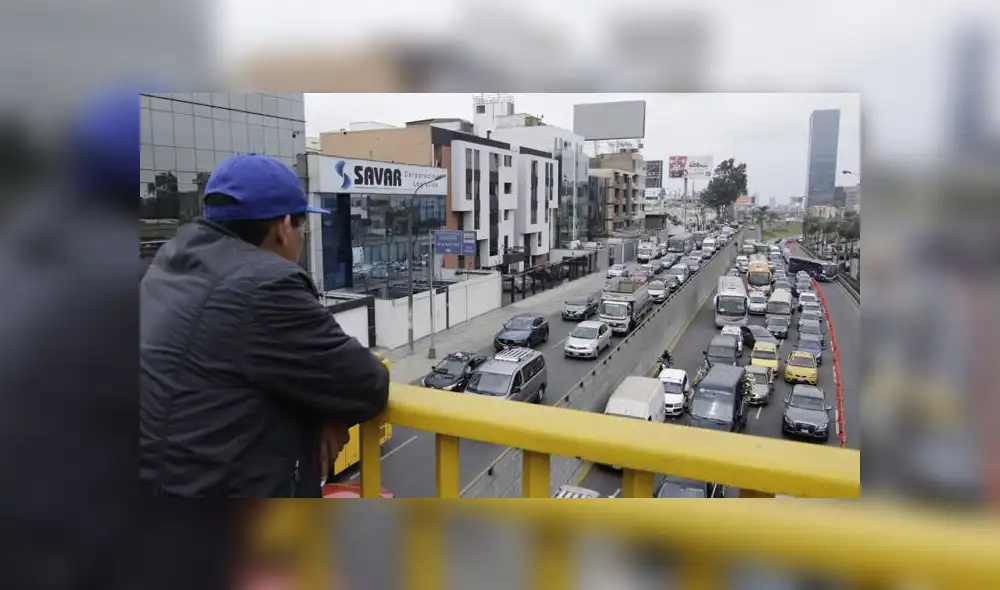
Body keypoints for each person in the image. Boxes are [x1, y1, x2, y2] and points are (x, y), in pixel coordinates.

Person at [140, 154, 390, 497]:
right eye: (302, 228)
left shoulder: (170, 261)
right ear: (284, 228)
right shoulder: (265, 285)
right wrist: (331, 404)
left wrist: (323, 405)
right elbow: (366, 381)